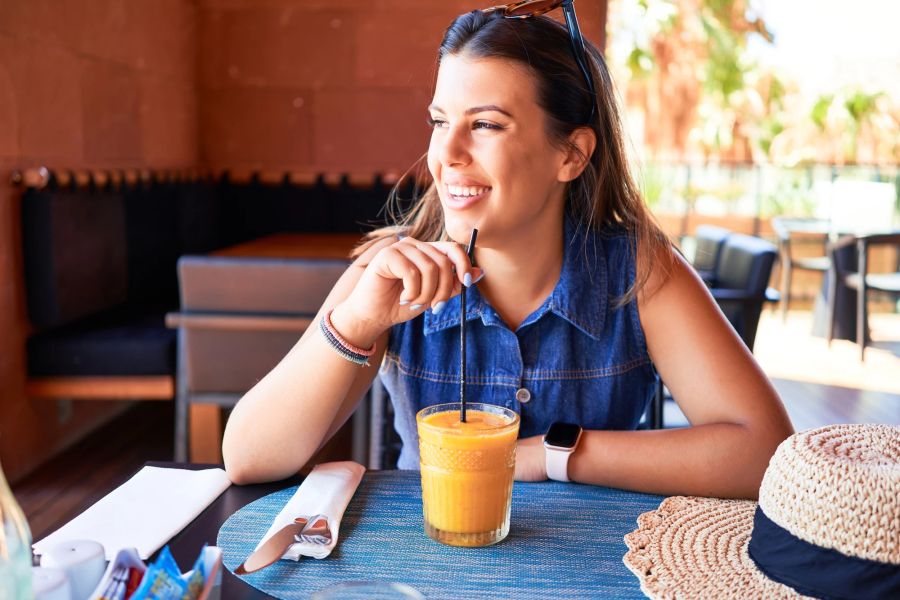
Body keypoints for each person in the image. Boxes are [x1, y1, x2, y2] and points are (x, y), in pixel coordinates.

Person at [222, 1, 794, 499]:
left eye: (487, 125)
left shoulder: (638, 271)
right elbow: (248, 459)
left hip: (595, 569)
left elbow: (767, 454)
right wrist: (356, 322)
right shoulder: (389, 274)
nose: (446, 151)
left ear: (570, 155)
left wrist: (551, 455)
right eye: (439, 120)